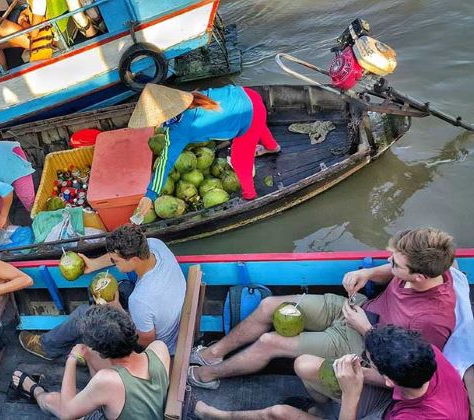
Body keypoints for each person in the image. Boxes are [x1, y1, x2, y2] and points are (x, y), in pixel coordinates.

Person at [188, 228, 457, 390]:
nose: (390, 264)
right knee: (270, 305)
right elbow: (395, 269)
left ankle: (205, 375)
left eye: (395, 264)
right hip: (357, 308)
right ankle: (212, 354)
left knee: (270, 342)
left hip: (363, 342)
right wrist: (368, 272)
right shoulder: (423, 267)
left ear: (419, 277)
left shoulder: (431, 320)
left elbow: (409, 374)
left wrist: (365, 328)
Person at [192, 326, 471, 420]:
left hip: (389, 413)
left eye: (367, 362)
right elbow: (396, 384)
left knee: (279, 413)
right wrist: (354, 373)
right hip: (394, 400)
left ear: (389, 378)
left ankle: (214, 415)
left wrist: (351, 393)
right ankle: (319, 407)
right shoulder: (427, 353)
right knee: (307, 365)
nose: (363, 362)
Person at [19, 224, 186, 359]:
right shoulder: (155, 245)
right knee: (123, 287)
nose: (114, 263)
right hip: (172, 324)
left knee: (84, 314)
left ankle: (48, 347)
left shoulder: (141, 299)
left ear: (134, 259)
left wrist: (120, 312)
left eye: (116, 261)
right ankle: (85, 338)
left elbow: (146, 342)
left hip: (157, 347)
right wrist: (94, 264)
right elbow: (117, 256)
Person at [128, 83, 280, 211]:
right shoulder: (191, 97)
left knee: (239, 160)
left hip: (248, 116)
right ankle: (273, 148)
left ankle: (250, 196)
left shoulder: (180, 132)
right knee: (258, 124)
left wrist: (150, 195)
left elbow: (165, 163)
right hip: (248, 94)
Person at [11, 305, 170, 419]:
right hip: (147, 408)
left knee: (53, 400)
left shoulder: (108, 379)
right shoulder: (159, 349)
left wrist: (72, 359)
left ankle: (36, 393)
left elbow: (67, 413)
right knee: (89, 357)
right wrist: (88, 354)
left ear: (103, 352)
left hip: (113, 398)